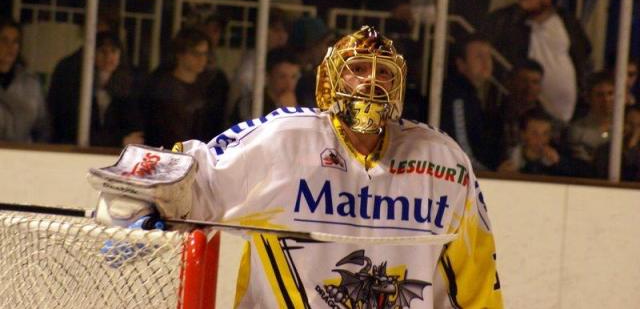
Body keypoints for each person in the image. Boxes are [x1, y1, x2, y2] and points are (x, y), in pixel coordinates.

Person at [92, 26, 503, 308]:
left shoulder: (442, 162)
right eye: (358, 70)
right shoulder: (284, 140)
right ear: (329, 82)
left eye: (383, 74)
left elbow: (476, 279)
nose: (371, 82)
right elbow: (192, 174)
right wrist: (141, 201)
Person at [481, 0, 591, 123]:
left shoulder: (565, 18)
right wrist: (519, 10)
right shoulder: (510, 19)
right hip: (524, 112)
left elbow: (584, 50)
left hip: (568, 112)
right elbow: (488, 36)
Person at [47, 31, 144, 147]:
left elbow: (134, 131)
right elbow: (73, 129)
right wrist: (119, 141)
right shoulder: (78, 85)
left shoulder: (130, 87)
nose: (108, 57)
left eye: (113, 51)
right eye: (103, 51)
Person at [142, 27, 226, 147]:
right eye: (196, 53)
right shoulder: (162, 87)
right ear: (180, 54)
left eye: (205, 54)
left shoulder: (210, 87)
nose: (202, 59)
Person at [441, 33, 500, 170]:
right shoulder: (457, 96)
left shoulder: (472, 96)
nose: (486, 63)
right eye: (479, 57)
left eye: (488, 56)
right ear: (461, 64)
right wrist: (490, 173)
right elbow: (461, 147)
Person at [0, 18, 49, 143]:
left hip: (22, 155)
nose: (10, 47)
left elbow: (42, 125)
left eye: (15, 41)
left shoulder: (31, 83)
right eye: (4, 40)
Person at [230, 47, 301, 123]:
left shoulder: (300, 100)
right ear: (267, 77)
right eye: (282, 77)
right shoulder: (250, 103)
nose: (289, 84)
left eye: (294, 77)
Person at [566, 71, 614, 177]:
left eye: (610, 93)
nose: (606, 100)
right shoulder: (578, 131)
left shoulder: (626, 127)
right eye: (599, 95)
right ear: (588, 98)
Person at [498, 109, 568, 176]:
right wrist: (500, 175)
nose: (540, 139)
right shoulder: (508, 157)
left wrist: (559, 163)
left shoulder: (560, 154)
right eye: (534, 133)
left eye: (545, 133)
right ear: (523, 134)